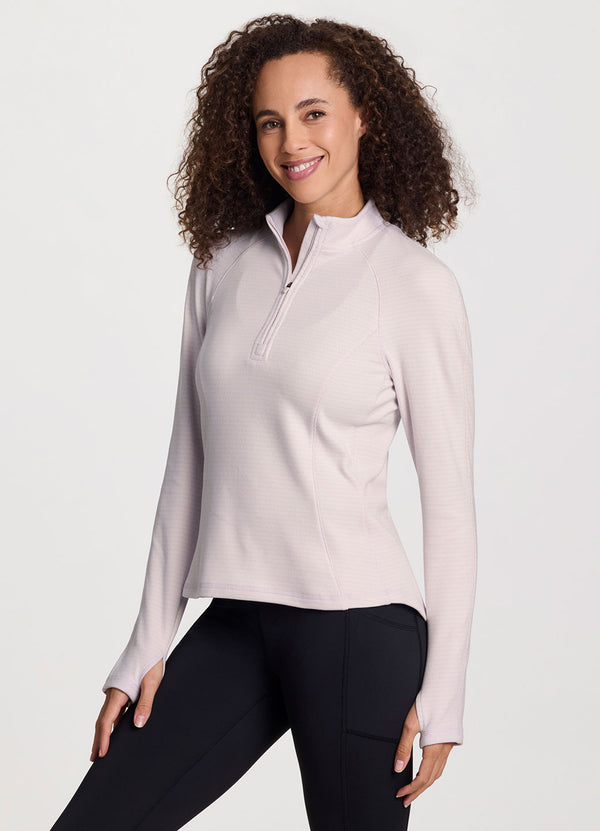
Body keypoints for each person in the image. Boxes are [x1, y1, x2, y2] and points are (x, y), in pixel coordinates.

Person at [49, 13, 478, 831]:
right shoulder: (222, 263)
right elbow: (188, 464)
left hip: (360, 629)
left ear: (364, 116)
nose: (292, 141)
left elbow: (451, 504)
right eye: (270, 121)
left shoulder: (413, 285)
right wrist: (146, 641)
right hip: (238, 620)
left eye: (314, 113)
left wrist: (445, 688)